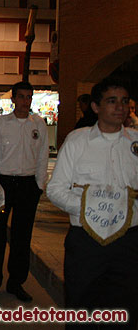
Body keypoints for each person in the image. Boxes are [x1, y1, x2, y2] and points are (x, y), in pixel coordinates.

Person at [46, 78, 138, 329]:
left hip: (129, 240)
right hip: (86, 239)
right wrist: (92, 207)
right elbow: (55, 189)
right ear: (95, 107)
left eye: (125, 101)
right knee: (81, 306)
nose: (120, 107)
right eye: (112, 101)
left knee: (126, 308)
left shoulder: (135, 143)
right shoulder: (77, 141)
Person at [0, 81, 48, 302]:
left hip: (28, 186)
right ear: (13, 99)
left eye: (28, 97)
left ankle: (16, 283)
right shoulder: (2, 124)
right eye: (21, 97)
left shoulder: (39, 124)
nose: (25, 101)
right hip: (3, 185)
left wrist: (39, 185)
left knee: (22, 237)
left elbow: (42, 157)